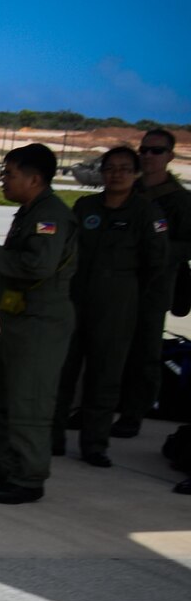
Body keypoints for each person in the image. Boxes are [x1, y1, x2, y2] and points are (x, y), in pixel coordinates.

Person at [0, 143, 77, 504]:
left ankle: (28, 476)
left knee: (30, 401)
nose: (3, 180)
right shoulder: (31, 212)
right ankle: (5, 462)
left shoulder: (50, 216)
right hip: (20, 322)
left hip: (41, 325)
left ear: (34, 178)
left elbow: (37, 265)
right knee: (7, 397)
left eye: (9, 174)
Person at [54, 146, 170, 466]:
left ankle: (95, 443)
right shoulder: (85, 206)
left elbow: (155, 264)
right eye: (110, 168)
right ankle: (53, 436)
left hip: (117, 305)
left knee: (105, 376)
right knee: (64, 371)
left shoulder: (147, 213)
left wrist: (129, 294)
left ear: (136, 174)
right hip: (76, 302)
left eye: (124, 168)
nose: (116, 174)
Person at [115, 129, 191, 437]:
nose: (148, 155)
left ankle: (134, 412)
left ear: (170, 157)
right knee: (110, 348)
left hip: (154, 285)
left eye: (156, 151)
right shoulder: (127, 193)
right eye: (144, 150)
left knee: (144, 351)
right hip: (118, 284)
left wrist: (151, 248)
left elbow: (187, 245)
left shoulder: (179, 201)